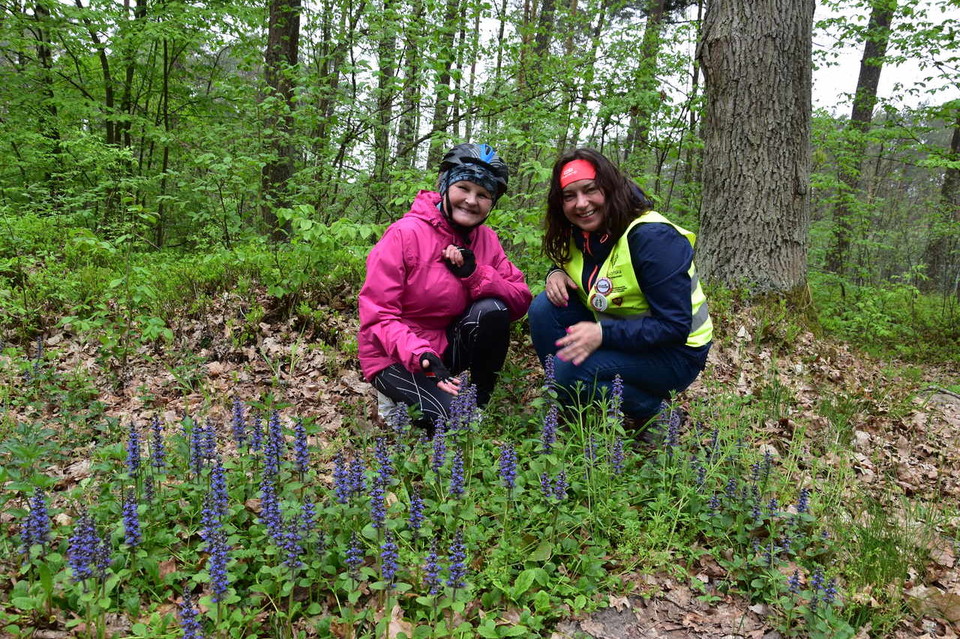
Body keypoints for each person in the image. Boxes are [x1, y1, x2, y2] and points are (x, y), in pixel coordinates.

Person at [528, 148, 712, 431]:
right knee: (545, 308)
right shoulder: (578, 232)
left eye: (590, 190)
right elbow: (587, 271)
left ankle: (655, 414)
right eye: (569, 196)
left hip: (676, 352)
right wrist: (555, 272)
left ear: (610, 188)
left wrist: (602, 334)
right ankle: (574, 400)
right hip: (625, 334)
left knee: (567, 373)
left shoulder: (652, 238)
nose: (581, 203)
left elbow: (675, 326)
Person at [358, 143, 532, 428]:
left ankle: (479, 402)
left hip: (442, 350)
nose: (472, 201)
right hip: (393, 354)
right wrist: (420, 354)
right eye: (464, 187)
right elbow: (377, 315)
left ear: (493, 202)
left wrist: (476, 275)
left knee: (493, 309)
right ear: (444, 185)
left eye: (483, 194)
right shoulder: (404, 235)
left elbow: (520, 301)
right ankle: (395, 395)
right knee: (451, 422)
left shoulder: (487, 240)